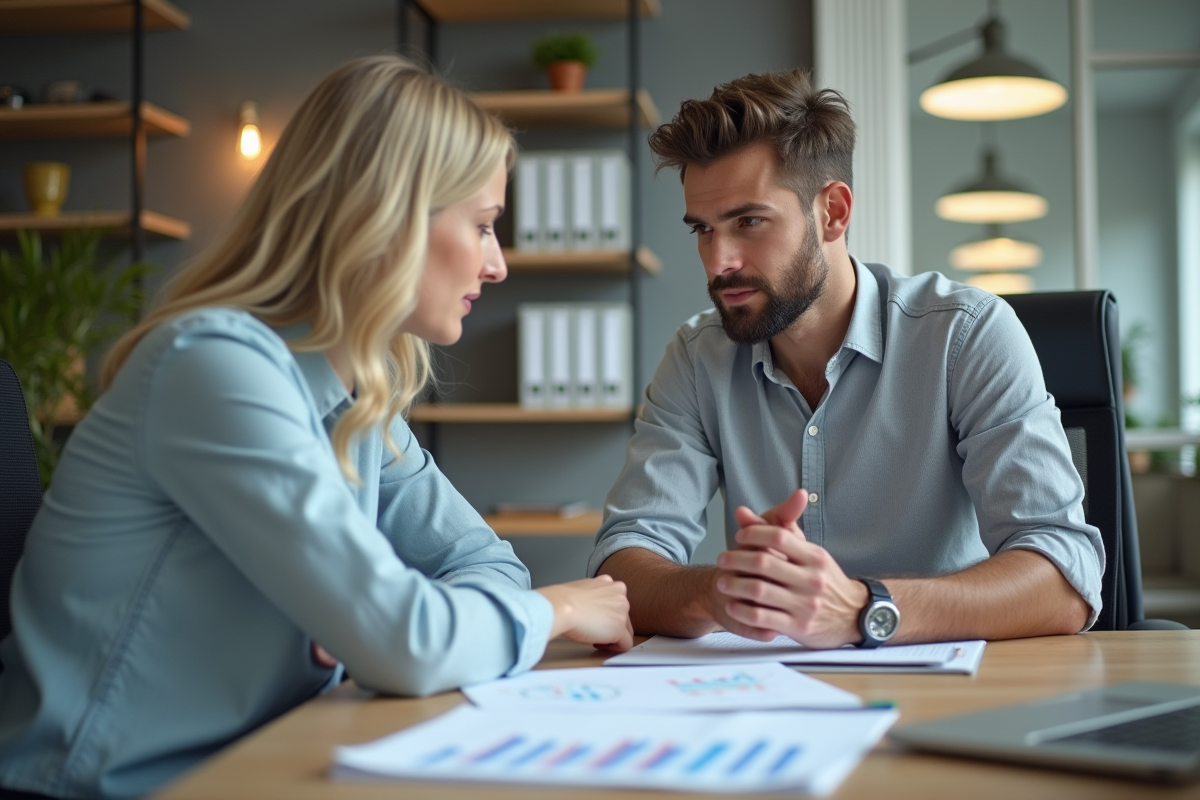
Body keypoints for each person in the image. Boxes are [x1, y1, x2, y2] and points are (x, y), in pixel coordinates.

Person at [0, 55, 632, 800]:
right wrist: (560, 608)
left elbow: (485, 565)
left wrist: (407, 621)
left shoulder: (360, 398)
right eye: (484, 226)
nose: (497, 265)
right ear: (387, 218)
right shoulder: (213, 371)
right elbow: (403, 641)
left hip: (258, 760)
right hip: (100, 787)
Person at [590, 69, 1102, 649]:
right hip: (766, 698)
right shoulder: (695, 358)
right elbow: (621, 566)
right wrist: (726, 591)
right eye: (703, 230)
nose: (718, 261)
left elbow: (1065, 577)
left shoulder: (966, 334)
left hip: (949, 691)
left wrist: (862, 608)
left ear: (833, 212)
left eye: (748, 222)